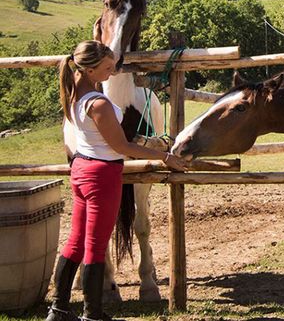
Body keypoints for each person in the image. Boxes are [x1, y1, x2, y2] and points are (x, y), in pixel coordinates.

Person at [46, 41, 188, 321]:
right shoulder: (98, 104)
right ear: (88, 70)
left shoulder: (74, 95)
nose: (112, 73)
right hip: (102, 175)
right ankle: (92, 314)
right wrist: (164, 156)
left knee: (75, 241)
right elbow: (122, 146)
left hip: (82, 171)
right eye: (108, 68)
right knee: (96, 246)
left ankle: (58, 309)